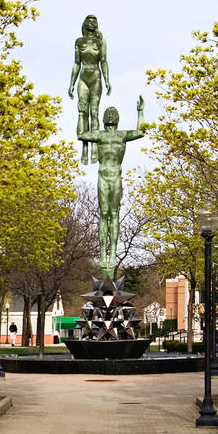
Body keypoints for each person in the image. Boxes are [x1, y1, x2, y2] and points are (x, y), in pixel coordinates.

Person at [79, 97, 145, 279]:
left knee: (114, 214)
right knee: (104, 214)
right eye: (109, 114)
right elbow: (81, 134)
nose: (111, 116)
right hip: (103, 175)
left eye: (114, 114)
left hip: (116, 176)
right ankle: (103, 254)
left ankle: (112, 252)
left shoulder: (122, 135)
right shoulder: (99, 135)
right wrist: (81, 113)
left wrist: (140, 113)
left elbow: (140, 131)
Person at [68, 14, 111, 165]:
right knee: (82, 111)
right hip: (83, 78)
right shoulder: (79, 42)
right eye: (90, 21)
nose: (92, 24)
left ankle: (95, 149)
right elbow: (76, 64)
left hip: (96, 78)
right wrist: (72, 84)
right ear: (85, 24)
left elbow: (104, 62)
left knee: (94, 112)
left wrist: (107, 81)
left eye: (95, 21)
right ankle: (84, 149)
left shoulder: (100, 42)